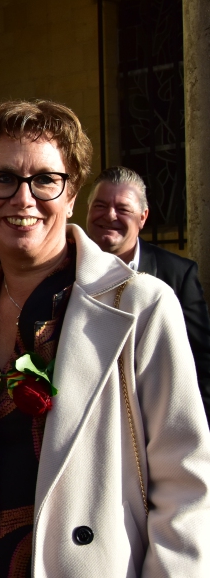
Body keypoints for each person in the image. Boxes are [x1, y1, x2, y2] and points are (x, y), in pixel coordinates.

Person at [0, 100, 210, 577]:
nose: (23, 198)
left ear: (72, 194)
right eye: (3, 178)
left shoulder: (141, 306)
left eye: (45, 180)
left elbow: (186, 483)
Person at [86, 165, 210, 421]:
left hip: (154, 420)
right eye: (100, 205)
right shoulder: (62, 269)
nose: (110, 215)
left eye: (123, 209)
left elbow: (201, 358)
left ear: (143, 218)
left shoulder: (177, 275)